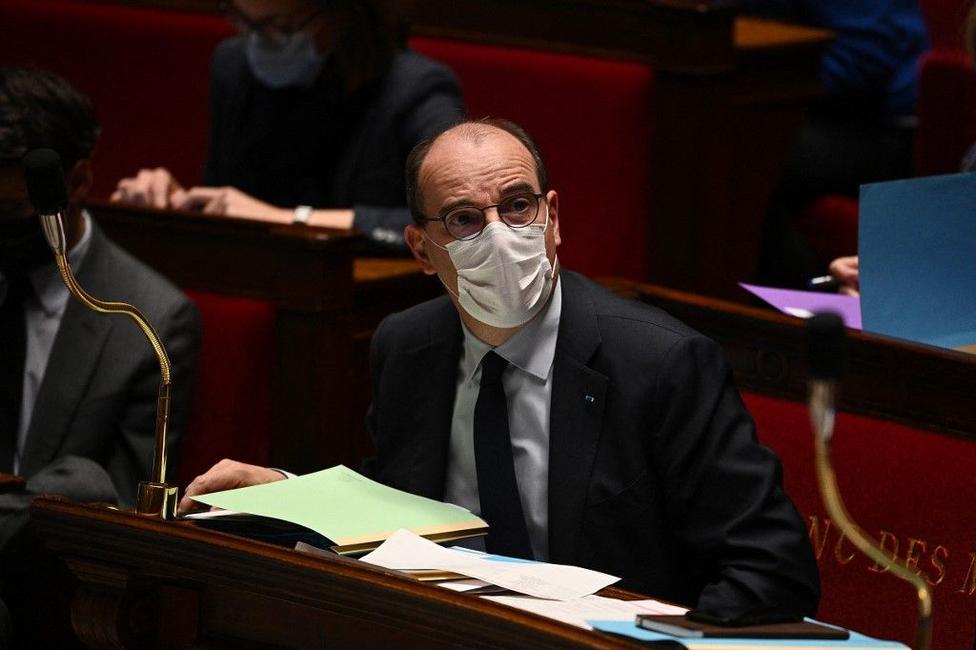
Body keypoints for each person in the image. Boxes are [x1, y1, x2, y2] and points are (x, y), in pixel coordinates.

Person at [183, 119, 820, 614]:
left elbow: (773, 571)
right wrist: (287, 493)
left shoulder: (662, 363)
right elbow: (403, 507)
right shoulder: (407, 346)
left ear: (553, 219)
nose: (499, 234)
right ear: (421, 251)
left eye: (518, 206)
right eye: (464, 219)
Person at [112, 0, 463, 252]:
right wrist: (178, 204)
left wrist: (291, 219)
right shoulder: (233, 67)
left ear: (341, 13)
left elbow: (456, 222)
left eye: (281, 27)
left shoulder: (416, 89)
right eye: (245, 23)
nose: (258, 42)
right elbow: (223, 202)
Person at [741, 0, 931, 287]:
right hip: (804, 111)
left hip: (882, 124)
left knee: (748, 160)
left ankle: (802, 300)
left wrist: (755, 74)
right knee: (721, 145)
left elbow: (864, 63)